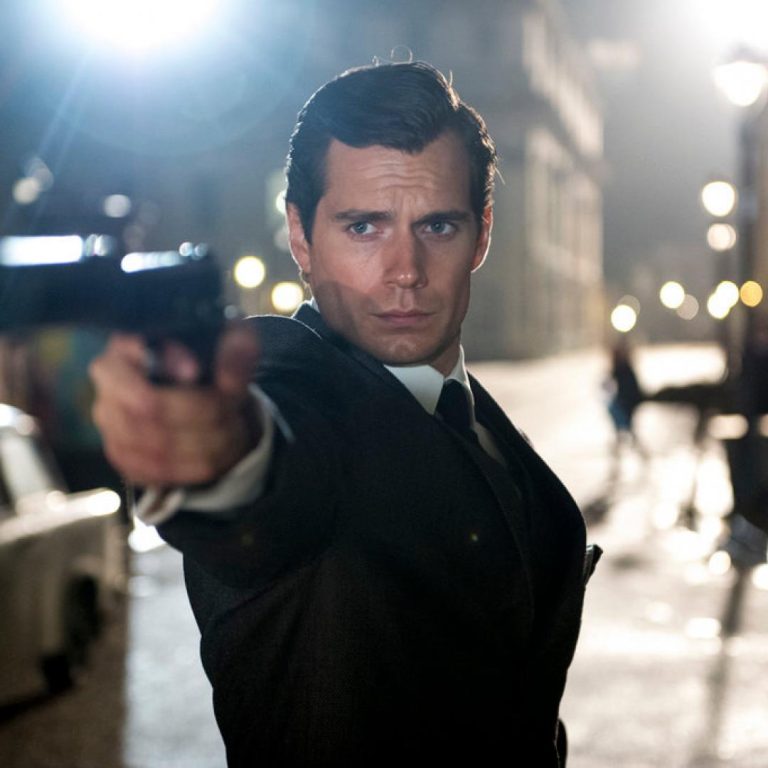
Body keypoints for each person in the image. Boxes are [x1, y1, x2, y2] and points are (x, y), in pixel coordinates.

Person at [90, 61, 597, 767]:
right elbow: (270, 482)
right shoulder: (292, 388)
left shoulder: (481, 424)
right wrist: (214, 453)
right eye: (363, 227)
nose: (405, 269)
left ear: (481, 235)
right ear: (300, 237)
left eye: (438, 226)